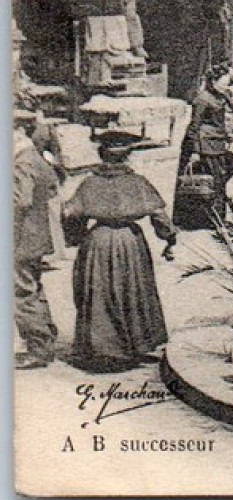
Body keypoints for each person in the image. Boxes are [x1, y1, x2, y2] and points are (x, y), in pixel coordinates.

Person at [62, 131, 177, 372]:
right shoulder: (138, 182)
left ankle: (103, 347)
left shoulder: (89, 183)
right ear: (127, 157)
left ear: (102, 155)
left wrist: (77, 236)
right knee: (132, 290)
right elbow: (159, 215)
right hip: (130, 241)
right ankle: (135, 344)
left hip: (98, 241)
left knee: (99, 293)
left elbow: (71, 214)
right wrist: (169, 237)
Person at [14, 113, 58, 368]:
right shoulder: (34, 157)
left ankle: (38, 349)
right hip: (34, 238)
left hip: (19, 241)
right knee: (33, 289)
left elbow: (19, 200)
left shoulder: (21, 161)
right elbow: (53, 184)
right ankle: (45, 338)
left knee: (20, 293)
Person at [174, 68, 233, 230]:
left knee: (221, 178)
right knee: (210, 182)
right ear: (213, 81)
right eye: (222, 83)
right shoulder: (202, 99)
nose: (225, 87)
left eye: (227, 84)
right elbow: (194, 126)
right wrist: (195, 151)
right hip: (205, 145)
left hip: (217, 143)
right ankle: (212, 220)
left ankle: (215, 218)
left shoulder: (220, 97)